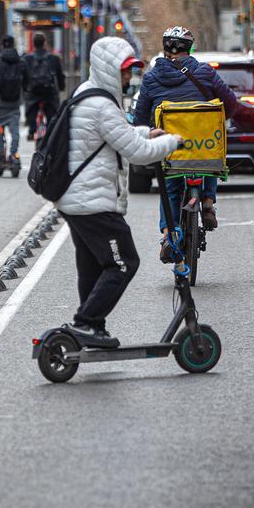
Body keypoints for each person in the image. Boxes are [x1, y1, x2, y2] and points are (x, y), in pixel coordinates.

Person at [54, 37, 179, 349]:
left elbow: (113, 136)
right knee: (125, 262)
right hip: (92, 201)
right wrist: (174, 141)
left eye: (132, 70)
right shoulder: (102, 105)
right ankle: (85, 323)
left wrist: (144, 132)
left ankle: (91, 327)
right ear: (109, 69)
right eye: (125, 71)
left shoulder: (87, 94)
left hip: (75, 198)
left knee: (93, 265)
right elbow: (137, 152)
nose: (129, 77)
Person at [133, 26, 241, 259]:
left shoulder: (151, 78)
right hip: (202, 146)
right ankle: (208, 202)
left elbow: (140, 116)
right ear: (189, 48)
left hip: (170, 146)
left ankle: (167, 235)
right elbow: (230, 103)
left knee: (170, 187)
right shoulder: (205, 72)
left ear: (165, 48)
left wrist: (146, 131)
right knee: (211, 149)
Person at [0, 35, 30, 167]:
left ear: (2, 46)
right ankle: (14, 154)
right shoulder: (22, 62)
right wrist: (25, 91)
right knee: (14, 129)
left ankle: (1, 154)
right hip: (15, 102)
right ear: (13, 45)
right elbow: (27, 81)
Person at [22, 32, 65, 140]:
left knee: (31, 106)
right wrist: (61, 87)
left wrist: (25, 89)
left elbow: (24, 77)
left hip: (34, 93)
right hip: (49, 93)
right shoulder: (53, 58)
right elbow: (60, 76)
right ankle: (52, 133)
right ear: (44, 43)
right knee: (53, 114)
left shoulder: (27, 58)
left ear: (33, 43)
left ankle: (31, 130)